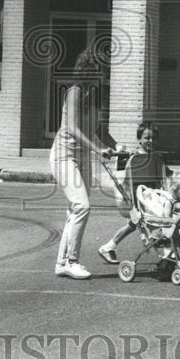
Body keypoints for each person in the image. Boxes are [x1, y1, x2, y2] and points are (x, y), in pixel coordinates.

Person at [50, 47, 119, 280]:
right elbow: (72, 128)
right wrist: (97, 148)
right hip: (64, 155)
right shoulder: (75, 92)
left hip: (82, 157)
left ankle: (62, 263)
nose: (103, 73)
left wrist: (118, 148)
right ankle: (72, 261)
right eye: (99, 68)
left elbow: (102, 131)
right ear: (88, 69)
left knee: (75, 210)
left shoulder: (97, 96)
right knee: (82, 206)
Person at [97, 122, 172, 264]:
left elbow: (167, 173)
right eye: (147, 138)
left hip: (153, 197)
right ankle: (168, 252)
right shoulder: (132, 156)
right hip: (137, 197)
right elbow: (122, 177)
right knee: (156, 221)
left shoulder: (157, 157)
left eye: (154, 138)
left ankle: (108, 247)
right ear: (139, 139)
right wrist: (110, 153)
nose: (151, 141)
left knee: (134, 224)